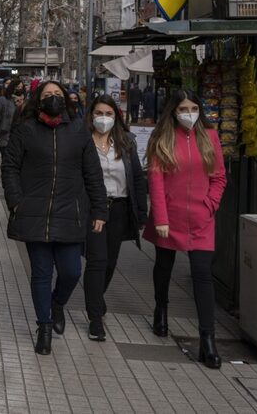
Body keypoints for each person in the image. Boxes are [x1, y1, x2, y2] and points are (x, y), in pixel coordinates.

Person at [1, 80, 108, 356]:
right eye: (47, 95)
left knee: (72, 270)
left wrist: (99, 209)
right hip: (33, 212)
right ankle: (44, 326)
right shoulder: (25, 129)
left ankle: (57, 303)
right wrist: (15, 201)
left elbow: (93, 174)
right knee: (41, 273)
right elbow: (10, 166)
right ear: (38, 99)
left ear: (67, 99)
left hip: (69, 213)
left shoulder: (78, 131)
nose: (53, 98)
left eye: (57, 94)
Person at [142, 89, 227, 369]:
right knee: (163, 265)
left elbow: (219, 177)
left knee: (203, 275)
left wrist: (210, 205)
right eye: (183, 109)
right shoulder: (162, 138)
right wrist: (161, 218)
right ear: (173, 111)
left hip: (202, 218)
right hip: (170, 216)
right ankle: (161, 308)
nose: (189, 114)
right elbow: (155, 181)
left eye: (193, 108)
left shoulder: (209, 137)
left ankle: (208, 339)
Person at [81, 95, 148, 341]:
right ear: (91, 115)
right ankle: (95, 316)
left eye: (109, 114)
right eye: (99, 113)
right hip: (93, 209)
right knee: (97, 261)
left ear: (116, 117)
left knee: (110, 262)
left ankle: (97, 299)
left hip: (119, 208)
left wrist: (141, 212)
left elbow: (137, 180)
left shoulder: (126, 142)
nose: (104, 118)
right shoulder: (83, 141)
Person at [0, 80, 21, 159]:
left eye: (21, 87)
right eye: (18, 87)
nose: (19, 89)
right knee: (6, 157)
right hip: (5, 134)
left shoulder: (24, 103)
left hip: (19, 135)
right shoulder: (3, 100)